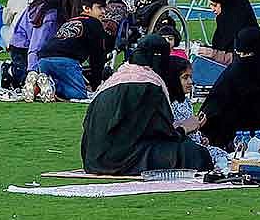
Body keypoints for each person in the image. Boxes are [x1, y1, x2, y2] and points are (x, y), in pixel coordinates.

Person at [81, 34, 212, 175]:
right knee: (194, 153)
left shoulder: (114, 79)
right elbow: (162, 133)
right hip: (121, 160)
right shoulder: (149, 85)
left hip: (93, 160)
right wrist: (185, 128)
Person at [199, 26, 260, 151]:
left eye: (249, 54)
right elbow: (209, 123)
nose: (244, 59)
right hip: (232, 151)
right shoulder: (229, 80)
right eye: (239, 54)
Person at [31, 0, 109, 101]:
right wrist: (95, 84)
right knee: (78, 95)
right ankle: (52, 86)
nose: (103, 12)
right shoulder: (95, 24)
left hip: (43, 59)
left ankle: (43, 84)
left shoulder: (70, 21)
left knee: (62, 80)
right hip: (66, 61)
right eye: (100, 8)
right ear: (86, 8)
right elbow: (97, 56)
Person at [8, 0, 87, 87]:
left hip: (49, 49)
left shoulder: (62, 7)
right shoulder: (50, 14)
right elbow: (36, 45)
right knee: (29, 84)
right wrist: (33, 71)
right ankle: (10, 71)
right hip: (23, 48)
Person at [163, 55, 229, 170]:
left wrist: (199, 134)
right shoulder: (165, 104)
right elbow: (171, 131)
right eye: (185, 78)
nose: (190, 82)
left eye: (190, 77)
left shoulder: (185, 101)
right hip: (181, 151)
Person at [191, 0, 258, 85]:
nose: (212, 9)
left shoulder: (248, 31)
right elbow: (223, 48)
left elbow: (245, 61)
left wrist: (212, 54)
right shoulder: (225, 21)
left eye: (215, 5)